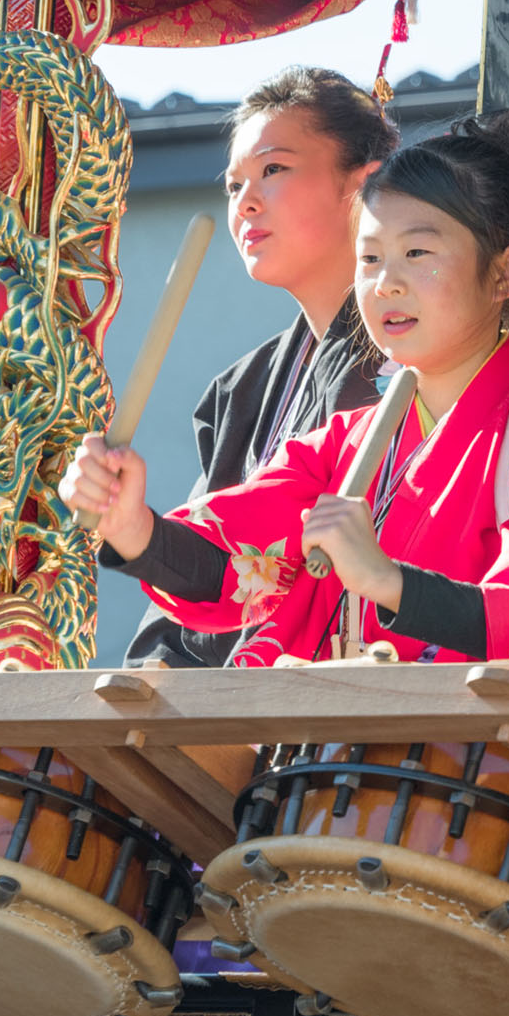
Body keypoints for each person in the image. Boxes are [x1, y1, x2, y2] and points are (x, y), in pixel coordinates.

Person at [64, 111, 509, 667]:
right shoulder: (343, 444)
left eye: (417, 253)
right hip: (324, 745)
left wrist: (388, 582)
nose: (386, 283)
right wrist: (134, 526)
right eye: (370, 258)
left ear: (506, 272)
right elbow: (242, 552)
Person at [124, 67, 394, 668]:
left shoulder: (408, 362)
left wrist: (138, 533)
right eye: (233, 183)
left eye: (273, 170)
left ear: (364, 187)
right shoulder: (241, 389)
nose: (245, 201)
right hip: (234, 705)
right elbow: (202, 548)